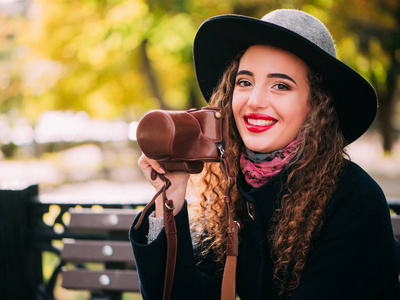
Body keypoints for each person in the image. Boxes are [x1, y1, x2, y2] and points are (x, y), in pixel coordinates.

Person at [130, 9, 400, 299]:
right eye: (244, 82)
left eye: (280, 85)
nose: (255, 101)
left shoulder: (353, 200)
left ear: (317, 105)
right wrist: (169, 203)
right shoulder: (229, 190)